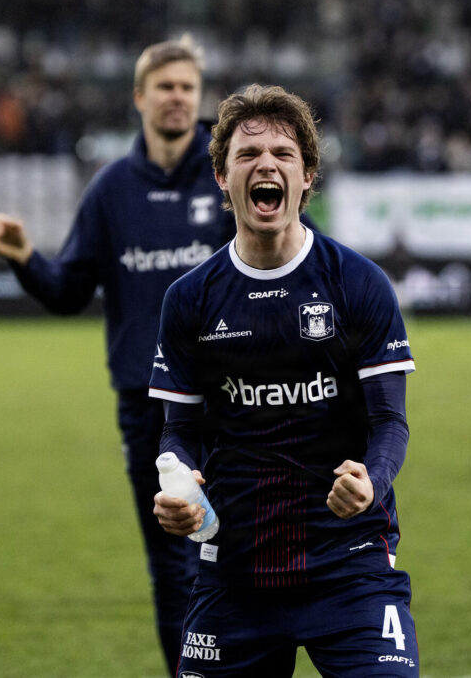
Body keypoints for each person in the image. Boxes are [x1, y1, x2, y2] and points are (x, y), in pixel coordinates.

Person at [0, 37, 313, 673]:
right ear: (140, 97)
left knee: (253, 553)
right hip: (150, 407)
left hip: (239, 399)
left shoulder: (235, 174)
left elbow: (289, 261)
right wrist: (25, 258)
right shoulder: (111, 190)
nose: (177, 98)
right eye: (165, 87)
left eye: (188, 87)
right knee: (174, 564)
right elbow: (68, 291)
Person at [149, 84, 419, 676]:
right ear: (222, 178)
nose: (265, 164)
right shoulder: (190, 299)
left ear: (307, 176)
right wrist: (178, 488)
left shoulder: (358, 283)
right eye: (247, 154)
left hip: (350, 565)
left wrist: (370, 482)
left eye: (283, 153)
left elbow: (389, 421)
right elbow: (180, 430)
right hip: (235, 571)